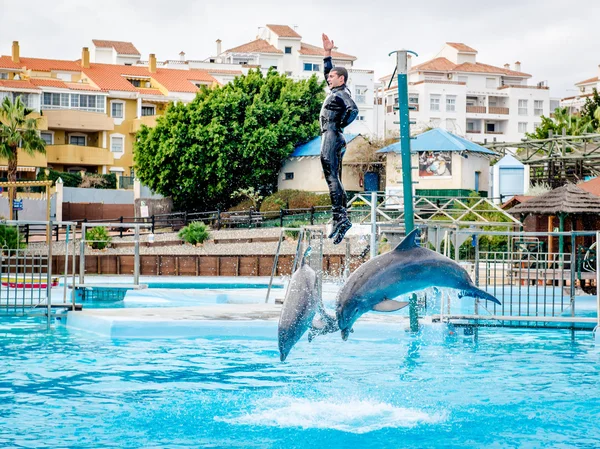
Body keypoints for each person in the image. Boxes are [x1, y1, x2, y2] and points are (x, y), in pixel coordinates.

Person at [320, 33, 358, 244]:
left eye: (333, 77)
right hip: (334, 135)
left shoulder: (341, 94)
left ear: (341, 79)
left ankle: (339, 217)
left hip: (332, 134)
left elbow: (353, 109)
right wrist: (327, 53)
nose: (329, 78)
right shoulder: (336, 91)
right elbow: (328, 72)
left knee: (331, 176)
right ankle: (342, 218)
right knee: (335, 177)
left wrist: (340, 123)